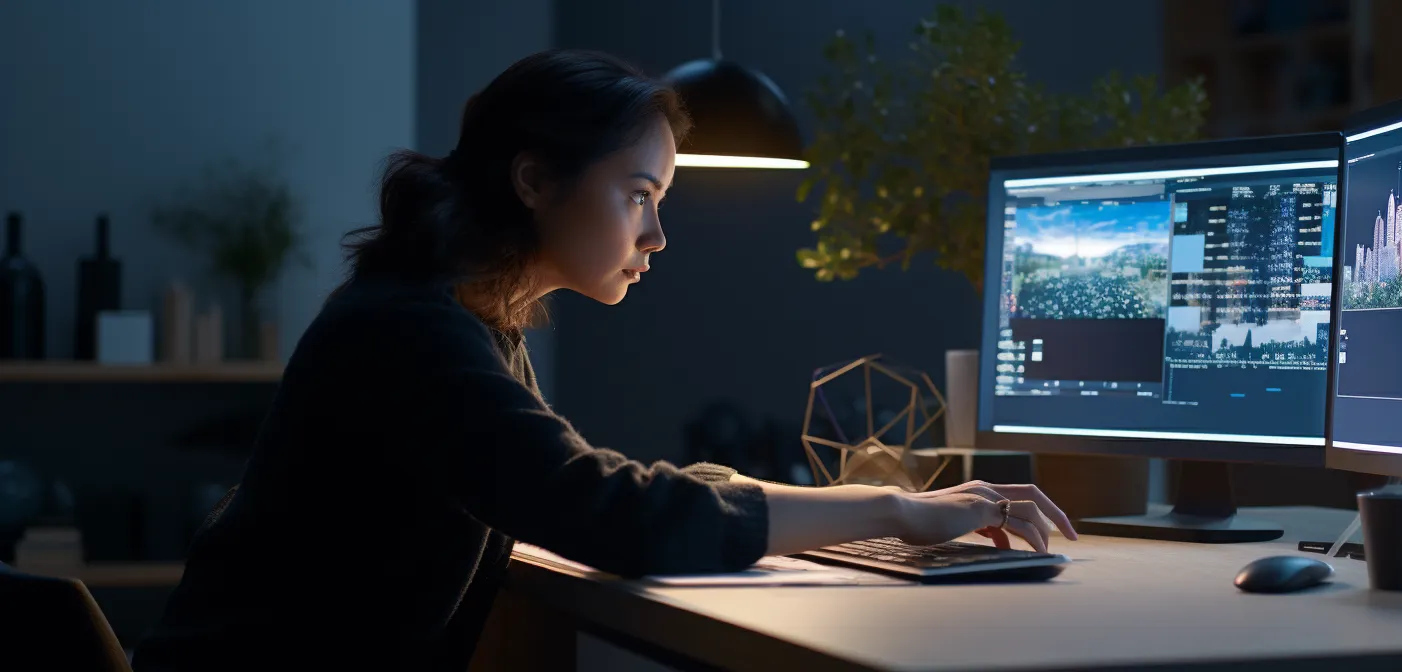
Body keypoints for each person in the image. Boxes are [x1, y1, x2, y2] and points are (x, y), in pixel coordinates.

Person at [130, 49, 1076, 670]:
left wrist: (793, 509)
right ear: (535, 179)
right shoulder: (410, 333)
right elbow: (606, 511)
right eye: (638, 194)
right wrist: (890, 505)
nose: (659, 233)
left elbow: (569, 480)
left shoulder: (457, 317)